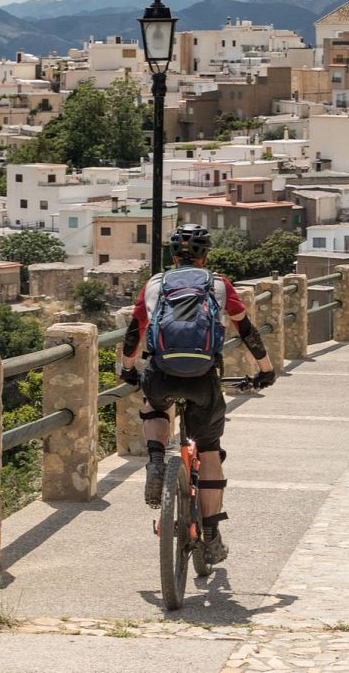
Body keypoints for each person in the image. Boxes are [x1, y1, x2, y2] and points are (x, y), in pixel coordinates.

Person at [120, 222, 276, 565]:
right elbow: (246, 330)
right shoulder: (218, 284)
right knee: (209, 451)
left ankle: (156, 459)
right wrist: (266, 369)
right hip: (203, 377)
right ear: (206, 254)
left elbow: (135, 331)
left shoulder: (155, 284)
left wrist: (128, 368)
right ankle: (210, 533)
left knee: (154, 407)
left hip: (162, 373)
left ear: (173, 255)